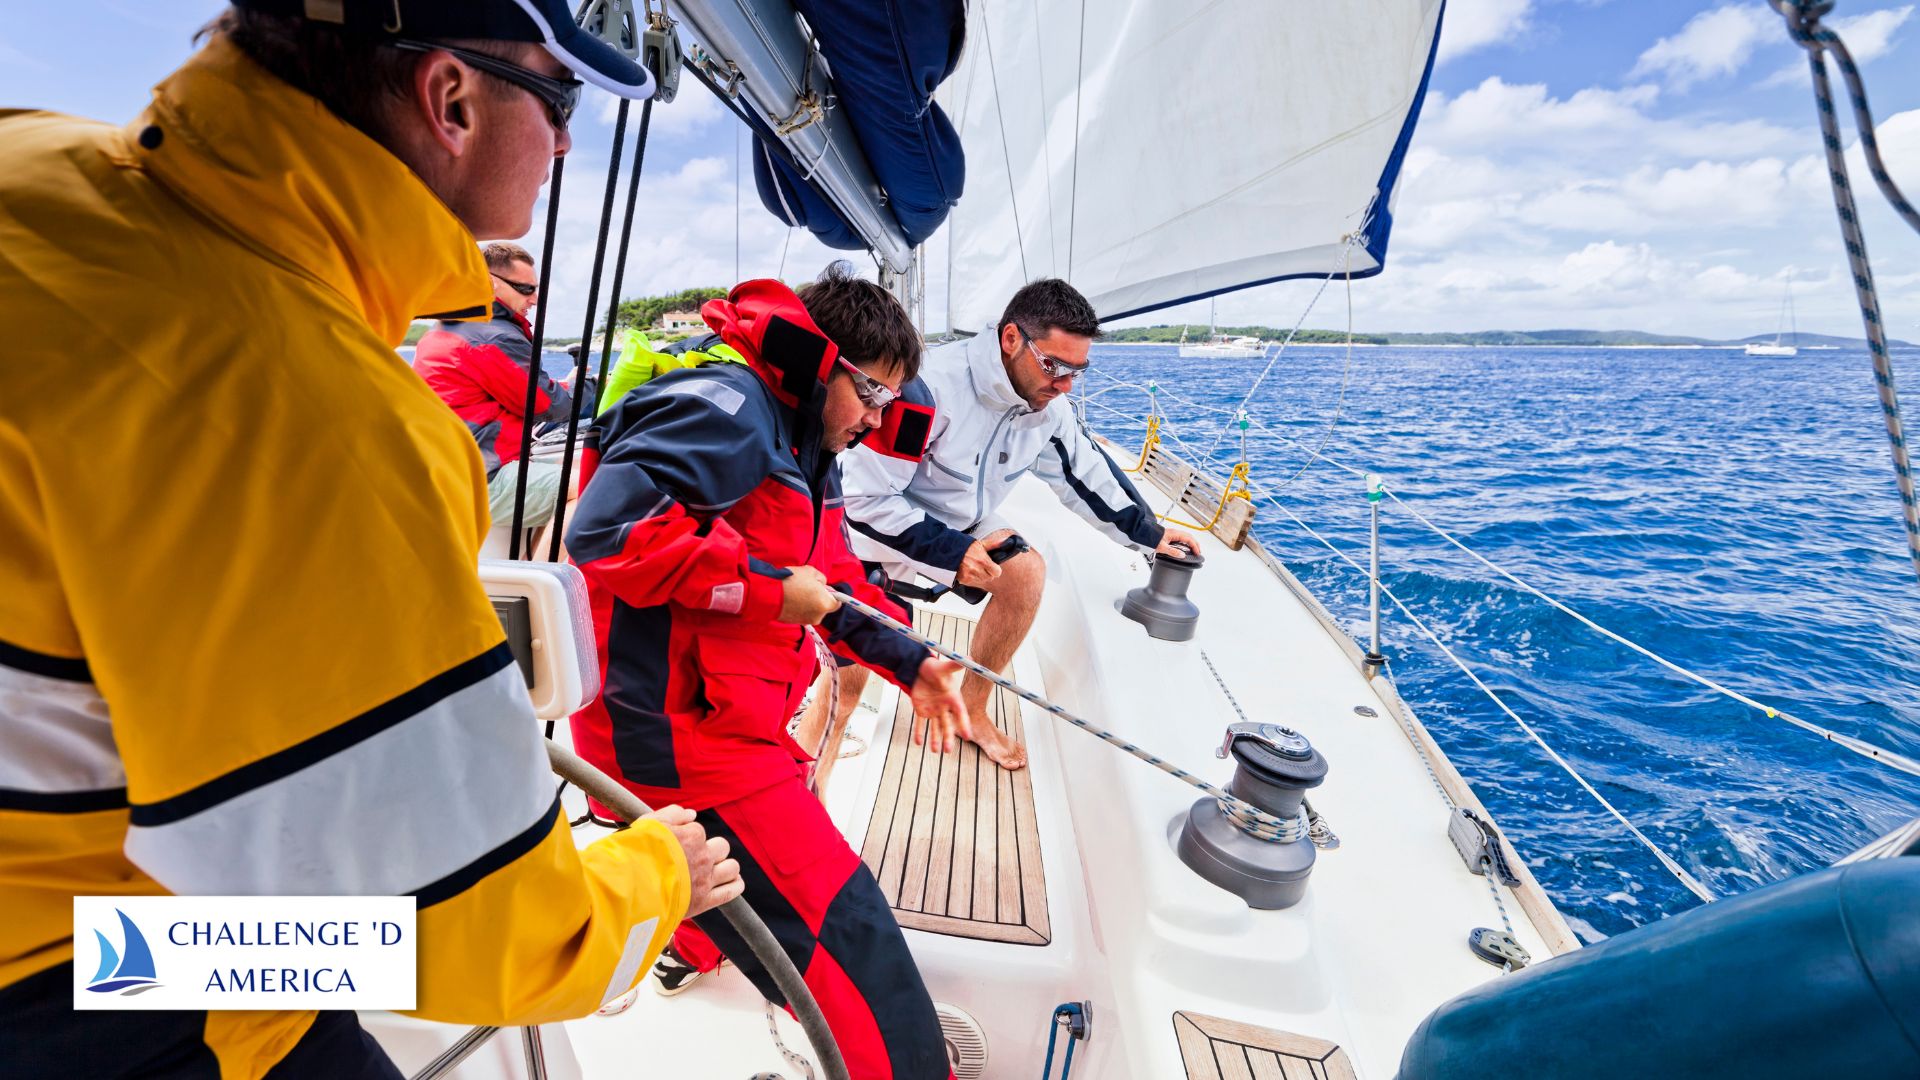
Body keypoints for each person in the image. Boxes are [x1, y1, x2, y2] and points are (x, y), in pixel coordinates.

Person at [0, 3, 739, 1076]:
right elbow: (480, 940)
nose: (568, 142)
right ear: (452, 99)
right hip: (86, 969)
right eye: (560, 98)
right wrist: (652, 874)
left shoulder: (32, 165)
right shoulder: (320, 420)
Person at [566, 267, 966, 1079]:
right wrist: (770, 593)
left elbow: (830, 576)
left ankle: (691, 940)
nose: (879, 419)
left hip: (723, 725)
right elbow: (606, 532)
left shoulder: (802, 439)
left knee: (755, 893)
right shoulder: (728, 410)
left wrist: (909, 661)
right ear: (824, 363)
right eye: (873, 395)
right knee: (850, 937)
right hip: (675, 744)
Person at [824, 279, 1200, 771]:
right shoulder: (930, 388)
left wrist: (1150, 535)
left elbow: (1084, 474)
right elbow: (863, 502)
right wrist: (952, 553)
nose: (1064, 385)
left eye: (1076, 372)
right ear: (1010, 340)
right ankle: (837, 712)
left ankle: (973, 710)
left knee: (1026, 575)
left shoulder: (1047, 409)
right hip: (882, 525)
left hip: (963, 520)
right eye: (1054, 366)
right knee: (854, 670)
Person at [415, 241, 577, 531]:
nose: (535, 298)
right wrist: (581, 388)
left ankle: (536, 571)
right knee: (594, 488)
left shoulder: (445, 330)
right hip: (480, 481)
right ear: (491, 284)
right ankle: (544, 577)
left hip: (447, 475)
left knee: (581, 472)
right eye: (526, 289)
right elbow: (550, 407)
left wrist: (563, 385)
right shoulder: (493, 337)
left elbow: (504, 391)